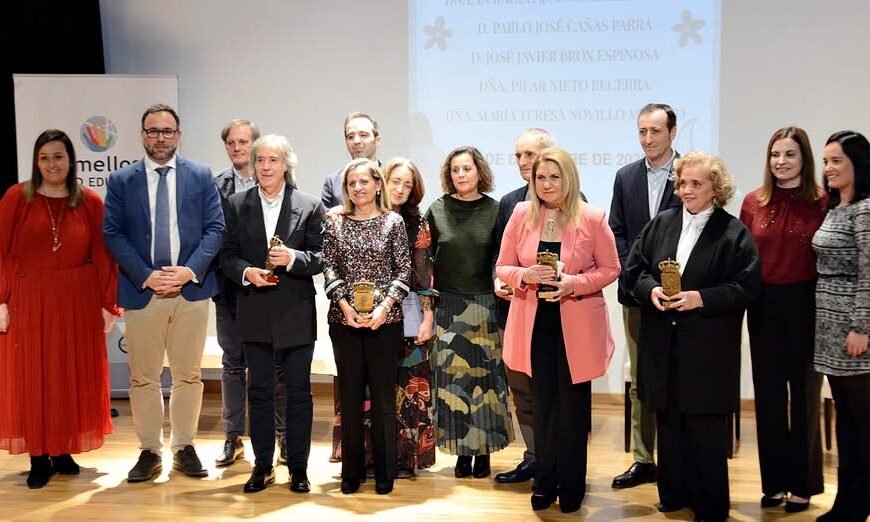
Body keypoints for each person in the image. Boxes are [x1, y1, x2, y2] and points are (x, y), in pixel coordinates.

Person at [623, 151, 761, 521]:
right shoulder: (661, 223)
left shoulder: (733, 233)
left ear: (716, 188)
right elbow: (633, 271)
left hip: (708, 348)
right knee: (669, 423)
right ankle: (674, 493)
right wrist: (651, 290)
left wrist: (701, 298)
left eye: (696, 183)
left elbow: (747, 288)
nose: (686, 190)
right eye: (682, 183)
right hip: (662, 342)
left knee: (704, 430)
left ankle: (710, 505)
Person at [103, 104, 224, 483]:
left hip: (191, 290)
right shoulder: (122, 180)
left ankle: (184, 447)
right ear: (142, 135)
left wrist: (188, 271)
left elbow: (215, 229)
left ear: (178, 135)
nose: (160, 137)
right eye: (153, 131)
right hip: (143, 292)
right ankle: (149, 451)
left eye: (167, 131)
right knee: (144, 377)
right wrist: (146, 276)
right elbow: (113, 234)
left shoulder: (201, 175)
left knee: (188, 375)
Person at [497, 147, 619, 513]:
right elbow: (503, 266)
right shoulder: (521, 214)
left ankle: (572, 484)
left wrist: (574, 283)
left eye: (554, 177)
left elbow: (611, 268)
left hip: (576, 326)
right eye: (540, 178)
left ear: (569, 179)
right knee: (542, 409)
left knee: (572, 411)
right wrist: (525, 275)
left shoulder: (593, 217)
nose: (547, 184)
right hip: (534, 326)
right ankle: (544, 481)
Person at [0, 129, 119, 489]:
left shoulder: (90, 202)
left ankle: (63, 448)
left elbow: (102, 255)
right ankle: (39, 455)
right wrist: (1, 299)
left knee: (70, 373)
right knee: (34, 374)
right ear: (37, 162)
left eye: (58, 157)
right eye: (45, 158)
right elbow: (2, 251)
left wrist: (107, 303)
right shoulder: (16, 198)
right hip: (29, 299)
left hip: (77, 302)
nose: (52, 164)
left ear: (71, 161)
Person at [221, 134, 324, 493]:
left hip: (295, 312)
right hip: (252, 311)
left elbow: (322, 257)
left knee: (298, 393)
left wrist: (293, 258)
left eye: (273, 160)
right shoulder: (235, 204)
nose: (265, 166)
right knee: (260, 392)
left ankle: (298, 467)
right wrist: (247, 273)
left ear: (286, 165)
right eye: (260, 160)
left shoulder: (309, 205)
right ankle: (262, 466)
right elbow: (227, 256)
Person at [739, 127, 827, 513]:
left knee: (805, 397)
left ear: (804, 159)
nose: (781, 162)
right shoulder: (752, 202)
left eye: (789, 154)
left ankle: (804, 485)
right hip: (763, 306)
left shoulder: (822, 202)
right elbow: (743, 261)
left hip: (807, 305)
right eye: (775, 154)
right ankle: (774, 483)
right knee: (769, 398)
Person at [323, 158, 411, 495]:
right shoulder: (335, 223)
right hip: (343, 322)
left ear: (378, 184)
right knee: (350, 398)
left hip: (384, 324)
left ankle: (386, 473)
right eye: (351, 184)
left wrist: (384, 308)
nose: (357, 188)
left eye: (363, 182)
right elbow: (329, 268)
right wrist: (345, 307)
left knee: (384, 400)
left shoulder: (393, 223)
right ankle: (351, 473)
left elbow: (404, 271)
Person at [426, 146, 514, 480]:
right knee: (453, 384)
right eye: (455, 170)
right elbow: (424, 260)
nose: (461, 175)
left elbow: (500, 256)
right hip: (448, 305)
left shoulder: (495, 210)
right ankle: (461, 452)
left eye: (467, 169)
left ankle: (485, 453)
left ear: (480, 172)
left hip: (484, 305)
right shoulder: (436, 210)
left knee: (487, 384)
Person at [608, 103, 682, 490]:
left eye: (655, 131)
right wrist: (637, 275)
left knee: (679, 376)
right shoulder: (625, 177)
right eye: (642, 131)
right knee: (639, 379)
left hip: (681, 297)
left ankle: (678, 458)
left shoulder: (691, 175)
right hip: (637, 294)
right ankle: (643, 458)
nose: (648, 139)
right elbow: (617, 230)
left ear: (673, 132)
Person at [212, 119, 289, 468]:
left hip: (273, 293)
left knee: (274, 367)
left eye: (244, 142)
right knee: (232, 364)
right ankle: (233, 437)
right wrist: (242, 272)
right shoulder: (216, 186)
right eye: (232, 142)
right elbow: (218, 242)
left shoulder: (281, 182)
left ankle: (282, 435)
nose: (238, 148)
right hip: (232, 289)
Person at [812, 130, 870, 522]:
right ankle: (848, 503)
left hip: (853, 334)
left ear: (857, 165)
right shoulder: (835, 206)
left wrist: (862, 328)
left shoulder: (864, 211)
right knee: (849, 428)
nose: (829, 168)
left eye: (837, 161)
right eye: (827, 161)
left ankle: (856, 506)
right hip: (830, 333)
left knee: (860, 428)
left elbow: (869, 274)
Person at [322, 112, 382, 468]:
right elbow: (331, 232)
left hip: (387, 301)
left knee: (387, 385)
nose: (357, 141)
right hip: (345, 299)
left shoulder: (390, 173)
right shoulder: (333, 180)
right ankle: (350, 452)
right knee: (348, 380)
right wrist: (345, 302)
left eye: (363, 134)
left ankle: (385, 452)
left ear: (377, 137)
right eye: (350, 135)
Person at [382, 157, 438, 478]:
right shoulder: (365, 215)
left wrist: (428, 320)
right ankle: (374, 455)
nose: (401, 189)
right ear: (383, 180)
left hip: (410, 317)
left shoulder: (417, 224)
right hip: (370, 319)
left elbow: (426, 277)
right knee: (374, 388)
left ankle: (405, 459)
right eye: (396, 181)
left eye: (408, 184)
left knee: (408, 388)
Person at [321, 112, 382, 209]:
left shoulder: (390, 177)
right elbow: (325, 220)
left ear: (377, 140)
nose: (356, 141)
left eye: (363, 135)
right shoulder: (334, 182)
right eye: (350, 137)